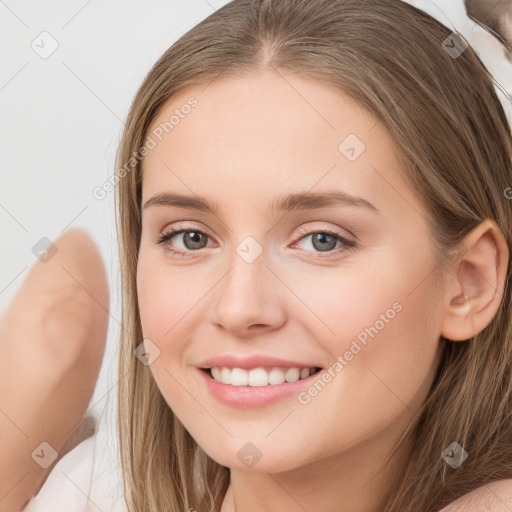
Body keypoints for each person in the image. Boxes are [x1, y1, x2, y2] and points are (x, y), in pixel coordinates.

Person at [11, 0, 512, 510]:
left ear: (467, 283)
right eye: (190, 238)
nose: (239, 308)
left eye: (322, 240)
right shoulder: (90, 492)